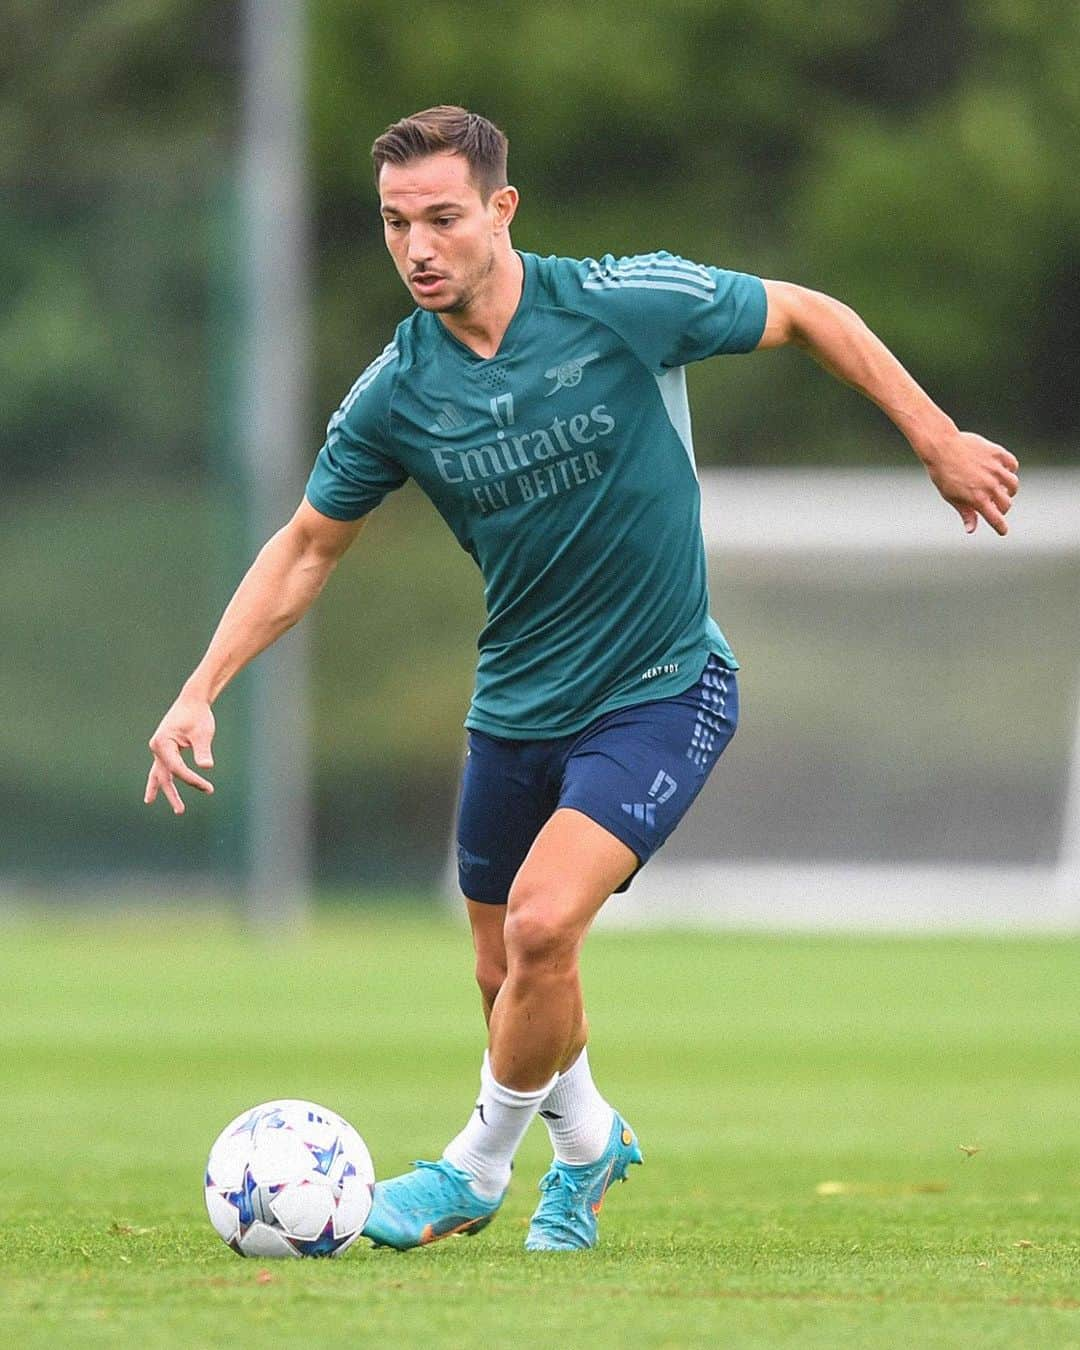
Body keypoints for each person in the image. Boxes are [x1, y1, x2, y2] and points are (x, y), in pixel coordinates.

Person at [145, 106, 1019, 1252]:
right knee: (504, 966)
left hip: (666, 683)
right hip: (516, 705)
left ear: (503, 211)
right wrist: (201, 685)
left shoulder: (618, 303)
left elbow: (810, 313)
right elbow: (309, 546)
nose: (418, 247)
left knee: (548, 925)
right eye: (396, 223)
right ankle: (589, 1143)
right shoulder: (394, 395)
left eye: (444, 218)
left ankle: (472, 1166)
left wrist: (936, 436)